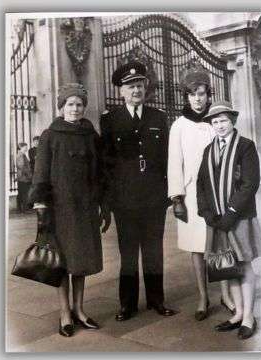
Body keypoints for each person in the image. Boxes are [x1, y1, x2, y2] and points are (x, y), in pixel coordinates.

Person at [28, 83, 111, 337]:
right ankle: (65, 313)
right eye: (70, 104)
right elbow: (40, 173)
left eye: (79, 104)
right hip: (60, 209)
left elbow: (101, 174)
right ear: (62, 108)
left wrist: (104, 206)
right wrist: (41, 207)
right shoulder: (50, 135)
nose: (75, 109)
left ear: (84, 107)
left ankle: (79, 309)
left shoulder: (90, 135)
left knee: (81, 262)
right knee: (61, 263)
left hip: (86, 208)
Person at [100, 61, 176, 321]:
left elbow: (167, 158)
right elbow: (106, 162)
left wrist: (168, 193)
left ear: (146, 88)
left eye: (140, 85)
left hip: (154, 197)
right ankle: (127, 304)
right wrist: (110, 201)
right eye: (131, 86)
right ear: (121, 91)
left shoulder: (158, 117)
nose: (136, 90)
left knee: (154, 251)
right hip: (125, 200)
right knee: (128, 253)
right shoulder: (110, 120)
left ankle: (157, 300)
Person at [167, 66, 235, 321]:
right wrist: (177, 199)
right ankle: (203, 297)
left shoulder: (215, 122)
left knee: (221, 242)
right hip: (191, 194)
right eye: (193, 94)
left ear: (209, 95)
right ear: (186, 96)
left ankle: (226, 294)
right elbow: (175, 162)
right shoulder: (179, 126)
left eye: (202, 93)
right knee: (196, 247)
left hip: (219, 192)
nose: (198, 98)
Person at [197, 100, 261, 339]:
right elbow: (201, 184)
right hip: (216, 219)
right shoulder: (208, 150)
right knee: (227, 267)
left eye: (223, 120)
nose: (220, 125)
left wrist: (231, 213)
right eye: (215, 122)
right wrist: (206, 212)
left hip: (238, 217)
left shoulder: (245, 146)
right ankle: (237, 314)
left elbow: (250, 184)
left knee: (243, 265)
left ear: (232, 121)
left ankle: (248, 317)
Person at [16, 142, 32, 213]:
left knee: (21, 193)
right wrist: (29, 175)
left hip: (22, 177)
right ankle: (24, 209)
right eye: (25, 147)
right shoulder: (21, 155)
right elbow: (22, 167)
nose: (26, 148)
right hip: (24, 177)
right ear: (21, 148)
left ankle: (20, 209)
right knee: (24, 194)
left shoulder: (21, 155)